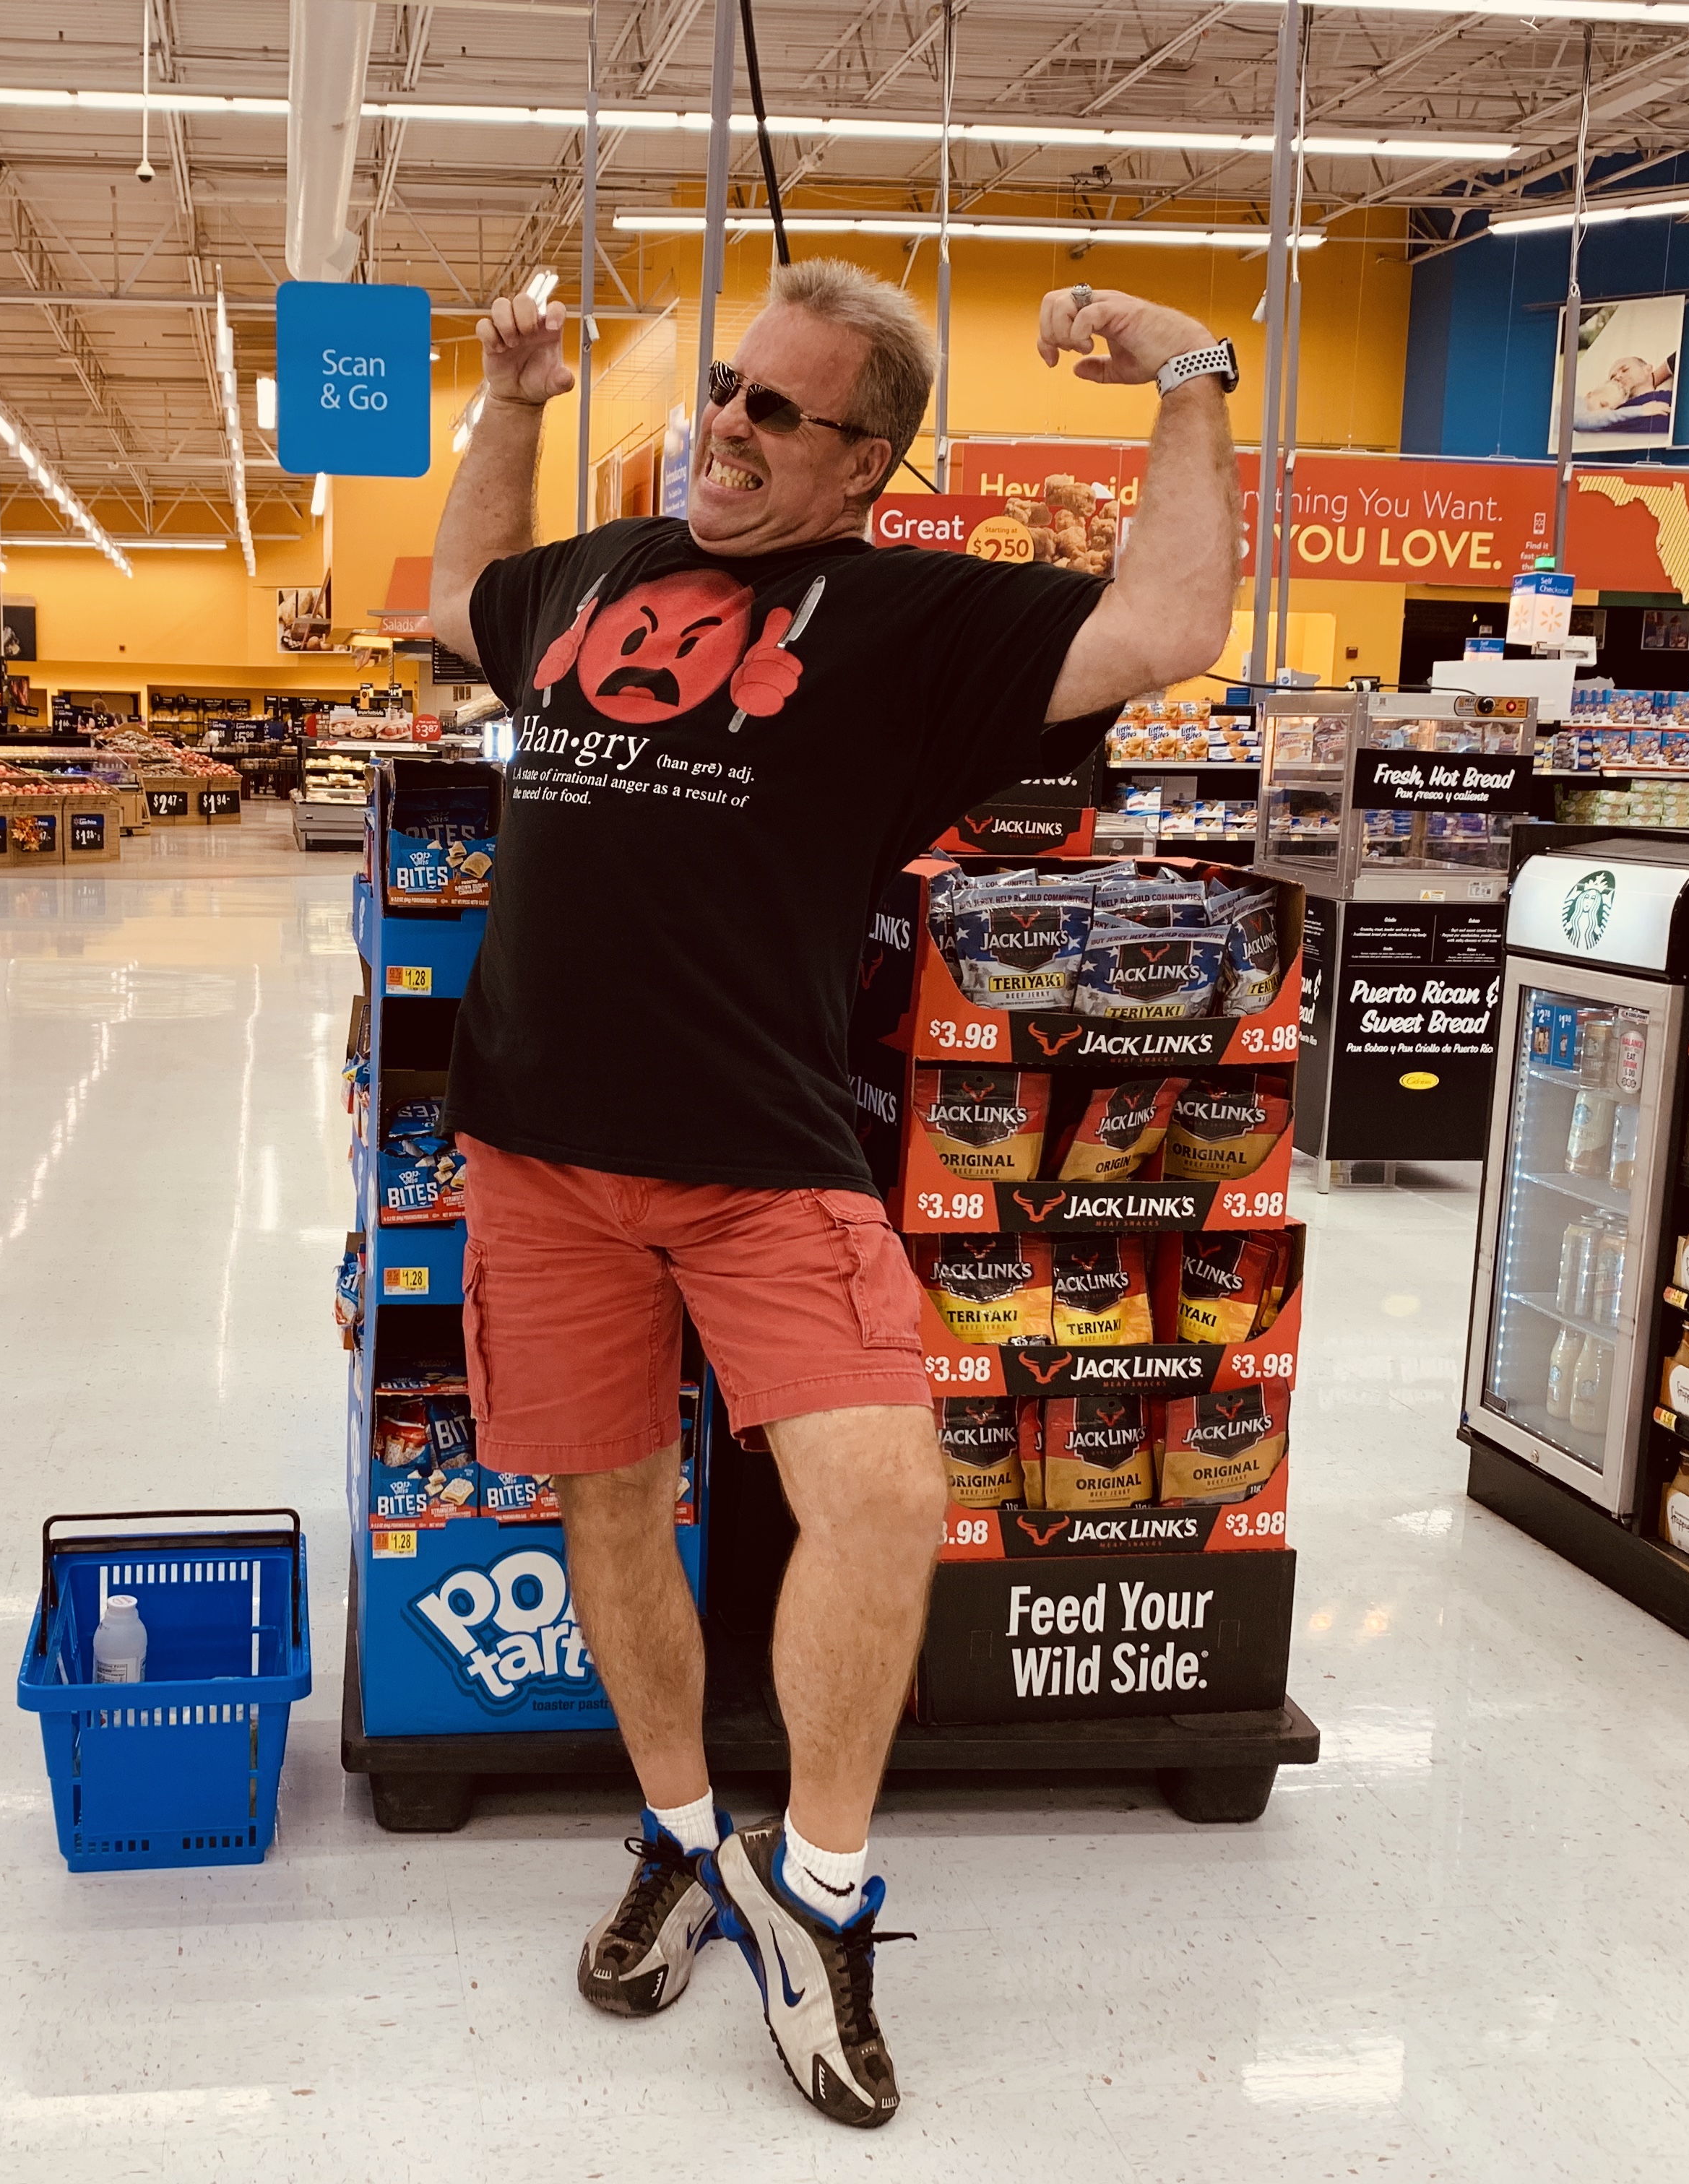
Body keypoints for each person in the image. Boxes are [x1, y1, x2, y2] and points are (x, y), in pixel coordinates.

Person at [427, 259, 1239, 2129]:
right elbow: (466, 598)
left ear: (867, 463)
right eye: (730, 386)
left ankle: (819, 1892)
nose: (728, 423)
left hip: (764, 1160)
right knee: (610, 1503)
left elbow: (1171, 621)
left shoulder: (908, 621)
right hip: (536, 1146)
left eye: (780, 410)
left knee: (881, 1498)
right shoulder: (599, 570)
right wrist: (518, 403)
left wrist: (1190, 374)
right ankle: (676, 1837)